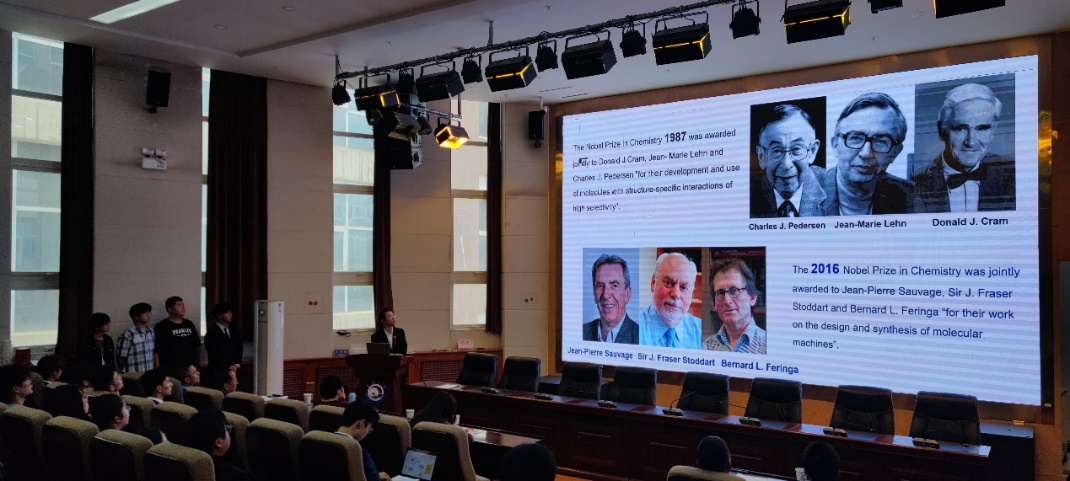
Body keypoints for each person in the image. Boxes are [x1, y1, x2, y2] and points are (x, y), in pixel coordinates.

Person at [914, 82, 1015, 212]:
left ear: (992, 131)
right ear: (941, 131)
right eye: (960, 128)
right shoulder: (915, 183)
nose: (971, 142)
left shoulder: (1013, 175)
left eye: (982, 128)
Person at [820, 92, 912, 215]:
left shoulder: (912, 196)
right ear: (835, 145)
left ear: (895, 152)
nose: (866, 154)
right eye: (855, 138)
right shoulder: (806, 194)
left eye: (880, 141)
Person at [751, 104, 833, 218]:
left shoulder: (835, 189)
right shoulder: (748, 195)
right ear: (761, 156)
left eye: (796, 149)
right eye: (776, 151)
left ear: (812, 151)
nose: (786, 164)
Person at [638, 252, 702, 349]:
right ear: (653, 283)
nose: (676, 294)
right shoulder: (633, 326)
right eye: (668, 283)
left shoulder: (701, 331)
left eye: (684, 287)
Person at [703, 258, 767, 354]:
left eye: (734, 290)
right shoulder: (706, 347)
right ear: (715, 303)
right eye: (720, 293)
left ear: (752, 298)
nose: (727, 301)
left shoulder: (769, 346)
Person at [582, 254, 639, 344]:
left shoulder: (640, 337)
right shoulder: (582, 332)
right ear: (594, 294)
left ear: (627, 294)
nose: (605, 295)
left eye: (614, 285)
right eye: (600, 286)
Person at [188, 408, 252, 481]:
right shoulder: (236, 476)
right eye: (227, 429)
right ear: (219, 442)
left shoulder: (194, 467)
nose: (229, 432)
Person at [337, 401, 391, 481]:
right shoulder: (358, 454)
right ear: (361, 424)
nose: (367, 433)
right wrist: (375, 477)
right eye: (369, 428)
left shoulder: (322, 443)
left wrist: (375, 475)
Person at [154, 296, 201, 371]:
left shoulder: (189, 323)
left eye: (183, 305)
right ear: (170, 309)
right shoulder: (161, 326)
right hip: (170, 367)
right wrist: (157, 368)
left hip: (189, 367)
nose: (183, 308)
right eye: (179, 306)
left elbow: (196, 346)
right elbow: (157, 349)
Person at [117, 302, 156, 374]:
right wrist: (125, 372)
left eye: (149, 312)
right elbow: (121, 357)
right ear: (136, 317)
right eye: (145, 313)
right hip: (134, 373)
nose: (148, 315)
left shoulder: (151, 331)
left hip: (149, 373)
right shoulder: (129, 333)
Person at [204, 302, 243, 372]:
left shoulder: (234, 329)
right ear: (219, 315)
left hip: (235, 369)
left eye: (231, 312)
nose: (230, 314)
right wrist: (228, 366)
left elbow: (239, 347)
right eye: (227, 312)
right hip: (219, 370)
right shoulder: (211, 333)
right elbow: (214, 354)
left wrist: (237, 364)